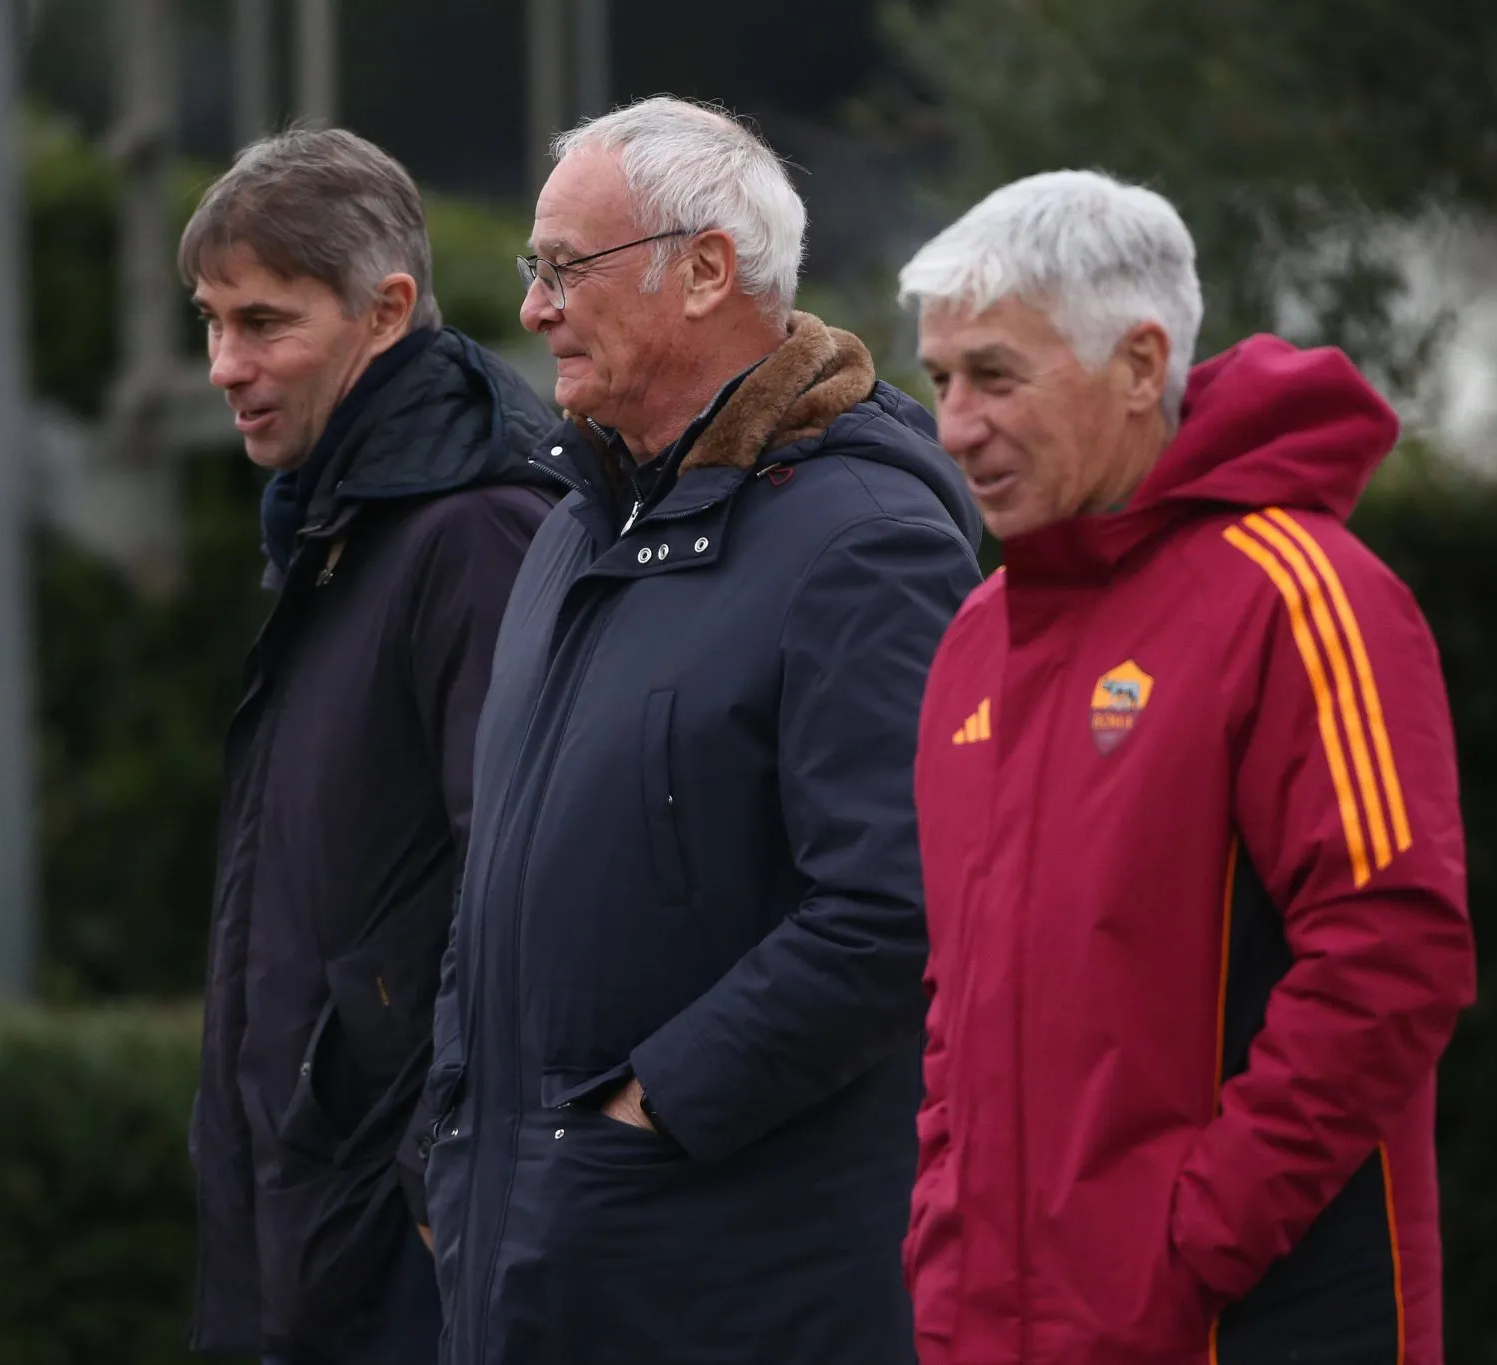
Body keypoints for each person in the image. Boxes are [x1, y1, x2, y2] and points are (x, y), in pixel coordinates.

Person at [411, 97, 983, 1365]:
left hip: (723, 1285)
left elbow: (897, 910)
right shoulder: (571, 528)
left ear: (707, 271)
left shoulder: (865, 543)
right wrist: (450, 1135)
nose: (532, 308)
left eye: (564, 267)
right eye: (531, 270)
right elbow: (497, 867)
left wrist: (642, 1115)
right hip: (534, 1261)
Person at [899, 171, 1477, 1364]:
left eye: (996, 375)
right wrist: (943, 1253)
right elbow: (959, 1010)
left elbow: (1393, 954)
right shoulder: (974, 641)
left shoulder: (1297, 594)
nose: (955, 425)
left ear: (1135, 364)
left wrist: (1184, 1249)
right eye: (940, 379)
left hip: (1243, 1323)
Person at [180, 128, 557, 1365]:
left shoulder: (473, 531)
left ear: (385, 310)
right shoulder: (343, 519)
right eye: (210, 322)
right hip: (319, 1210)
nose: (225, 365)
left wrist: (431, 1180)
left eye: (263, 323)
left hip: (397, 1242)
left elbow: (515, 894)